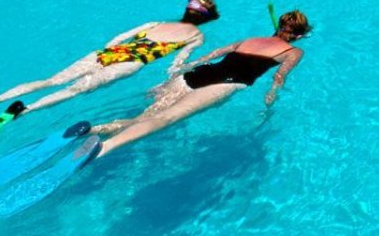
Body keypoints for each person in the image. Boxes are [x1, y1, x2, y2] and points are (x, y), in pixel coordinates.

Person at [92, 9, 310, 158]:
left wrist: (185, 67)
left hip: (196, 74)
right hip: (224, 83)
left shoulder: (252, 39)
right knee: (166, 118)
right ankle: (104, 148)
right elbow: (279, 77)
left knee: (143, 117)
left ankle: (95, 129)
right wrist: (270, 101)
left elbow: (213, 54)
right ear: (299, 36)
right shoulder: (294, 51)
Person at [0, 0, 219, 113]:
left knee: (51, 81)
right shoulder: (196, 37)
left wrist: (108, 53)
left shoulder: (156, 23)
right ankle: (27, 110)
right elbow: (177, 63)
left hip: (107, 54)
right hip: (130, 63)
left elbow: (117, 39)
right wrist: (170, 81)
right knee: (74, 90)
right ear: (206, 19)